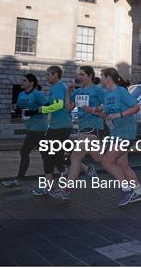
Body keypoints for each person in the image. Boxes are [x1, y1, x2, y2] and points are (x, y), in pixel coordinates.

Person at [94, 68, 141, 206]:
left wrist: (119, 115)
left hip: (126, 133)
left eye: (102, 76)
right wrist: (95, 112)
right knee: (122, 164)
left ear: (109, 78)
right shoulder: (107, 94)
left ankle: (126, 189)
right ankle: (139, 191)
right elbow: (107, 115)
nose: (100, 79)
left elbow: (136, 107)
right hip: (115, 133)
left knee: (106, 162)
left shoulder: (121, 91)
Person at [55, 66, 104, 199]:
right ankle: (115, 163)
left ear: (90, 76)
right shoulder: (77, 92)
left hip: (94, 126)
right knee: (100, 159)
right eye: (79, 75)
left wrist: (94, 109)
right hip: (83, 128)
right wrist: (68, 93)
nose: (80, 77)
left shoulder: (98, 91)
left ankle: (66, 190)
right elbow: (68, 108)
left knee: (75, 156)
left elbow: (108, 105)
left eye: (82, 75)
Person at [24, 66, 72, 197]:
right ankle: (64, 170)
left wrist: (37, 111)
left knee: (46, 153)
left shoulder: (57, 87)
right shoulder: (58, 87)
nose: (46, 77)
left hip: (60, 127)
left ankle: (50, 184)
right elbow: (52, 104)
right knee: (48, 153)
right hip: (59, 126)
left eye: (48, 75)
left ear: (56, 74)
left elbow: (57, 105)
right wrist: (37, 109)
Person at [1, 74, 47, 188]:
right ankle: (64, 169)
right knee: (45, 153)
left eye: (24, 80)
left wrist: (32, 112)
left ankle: (19, 180)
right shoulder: (21, 94)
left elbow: (48, 107)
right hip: (30, 127)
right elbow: (20, 109)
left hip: (38, 128)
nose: (22, 82)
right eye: (22, 80)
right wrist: (16, 108)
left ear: (31, 83)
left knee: (24, 152)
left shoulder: (37, 94)